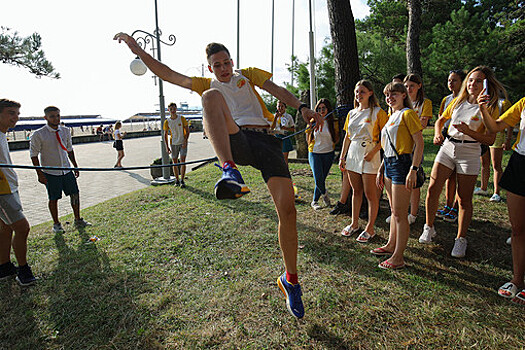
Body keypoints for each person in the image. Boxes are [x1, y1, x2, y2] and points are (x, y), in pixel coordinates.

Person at [115, 33, 323, 319]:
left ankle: (291, 279)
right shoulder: (207, 84)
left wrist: (303, 108)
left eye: (227, 62)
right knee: (211, 96)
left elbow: (277, 90)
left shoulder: (247, 75)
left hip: (266, 141)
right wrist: (136, 48)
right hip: (237, 139)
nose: (223, 68)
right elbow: (167, 73)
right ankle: (229, 171)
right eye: (217, 65)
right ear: (209, 67)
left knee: (288, 212)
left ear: (232, 62)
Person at [419, 66, 505, 258]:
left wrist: (469, 132)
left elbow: (490, 139)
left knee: (464, 198)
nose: (473, 84)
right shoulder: (459, 100)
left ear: (487, 84)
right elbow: (441, 120)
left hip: (470, 151)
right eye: (471, 80)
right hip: (448, 147)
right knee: (433, 188)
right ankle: (429, 227)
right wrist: (436, 134)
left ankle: (460, 239)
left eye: (479, 81)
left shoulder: (491, 106)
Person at [373, 83, 423, 269]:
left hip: (403, 165)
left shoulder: (407, 114)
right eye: (387, 95)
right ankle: (391, 245)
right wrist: (381, 169)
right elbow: (387, 145)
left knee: (401, 214)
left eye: (394, 94)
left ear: (403, 95)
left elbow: (419, 143)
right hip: (389, 164)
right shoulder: (391, 116)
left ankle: (398, 257)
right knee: (394, 211)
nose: (390, 98)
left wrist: (414, 169)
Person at [480, 97, 525, 305]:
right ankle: (517, 280)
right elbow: (495, 126)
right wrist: (482, 108)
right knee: (517, 229)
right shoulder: (523, 103)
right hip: (520, 162)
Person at [30, 106, 91, 233]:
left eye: (58, 115)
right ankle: (56, 223)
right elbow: (34, 155)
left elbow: (69, 149)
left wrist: (75, 165)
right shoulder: (38, 134)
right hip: (51, 173)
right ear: (45, 117)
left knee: (74, 194)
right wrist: (39, 174)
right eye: (52, 116)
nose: (56, 118)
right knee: (53, 198)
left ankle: (78, 219)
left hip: (66, 170)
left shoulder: (65, 131)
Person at [339, 80, 387, 242]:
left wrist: (373, 152)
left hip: (370, 153)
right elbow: (347, 136)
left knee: (370, 194)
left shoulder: (378, 112)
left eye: (362, 92)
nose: (359, 95)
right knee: (356, 191)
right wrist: (342, 156)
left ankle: (370, 227)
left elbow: (385, 137)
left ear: (370, 93)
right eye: (357, 92)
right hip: (353, 153)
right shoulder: (351, 113)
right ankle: (354, 224)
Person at [0, 99, 36, 286]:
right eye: (11, 113)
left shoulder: (2, 134)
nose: (16, 117)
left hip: (10, 188)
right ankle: (24, 271)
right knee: (22, 228)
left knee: (6, 228)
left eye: (18, 113)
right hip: (2, 192)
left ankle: (4, 267)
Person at [435, 70, 466, 223]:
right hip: (447, 137)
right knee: (449, 176)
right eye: (449, 80)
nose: (451, 83)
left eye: (454, 80)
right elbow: (441, 119)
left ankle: (455, 206)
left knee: (459, 175)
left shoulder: (466, 100)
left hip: (463, 140)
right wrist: (439, 134)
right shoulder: (446, 99)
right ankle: (447, 205)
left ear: (462, 82)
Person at [403, 74, 432, 225]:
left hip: (415, 147)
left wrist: (405, 128)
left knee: (414, 180)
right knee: (401, 180)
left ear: (419, 86)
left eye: (412, 86)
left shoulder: (425, 103)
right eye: (406, 86)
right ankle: (402, 211)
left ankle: (413, 214)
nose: (409, 89)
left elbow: (422, 124)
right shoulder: (401, 103)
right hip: (400, 147)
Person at [473, 97, 512, 202]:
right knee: (484, 163)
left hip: (498, 135)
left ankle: (496, 192)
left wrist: (508, 139)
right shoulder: (482, 100)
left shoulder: (503, 103)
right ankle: (483, 188)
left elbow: (509, 122)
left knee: (496, 165)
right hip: (484, 134)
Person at [306, 98, 338, 210]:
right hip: (315, 153)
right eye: (319, 108)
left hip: (328, 153)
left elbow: (337, 137)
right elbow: (308, 136)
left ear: (328, 109)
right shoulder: (312, 121)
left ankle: (315, 200)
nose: (321, 110)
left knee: (322, 178)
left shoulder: (333, 122)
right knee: (318, 178)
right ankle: (323, 196)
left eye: (323, 108)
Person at [163, 102, 190, 186]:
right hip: (173, 143)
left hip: (182, 142)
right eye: (171, 109)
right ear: (168, 110)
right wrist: (167, 147)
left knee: (182, 161)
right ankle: (177, 180)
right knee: (174, 162)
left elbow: (187, 130)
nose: (173, 111)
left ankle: (182, 180)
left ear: (176, 109)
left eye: (174, 109)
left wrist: (185, 140)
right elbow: (165, 135)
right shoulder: (167, 121)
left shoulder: (181, 118)